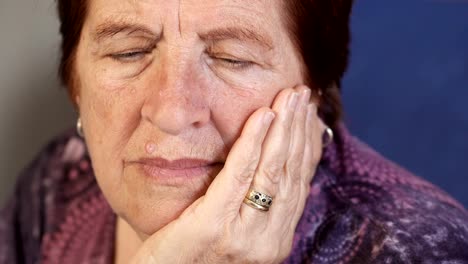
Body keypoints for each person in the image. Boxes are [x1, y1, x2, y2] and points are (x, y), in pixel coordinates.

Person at [1, 0, 467, 263]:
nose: (172, 112)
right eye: (130, 52)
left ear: (316, 89)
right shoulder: (55, 186)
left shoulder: (416, 249)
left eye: (231, 58)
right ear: (75, 82)